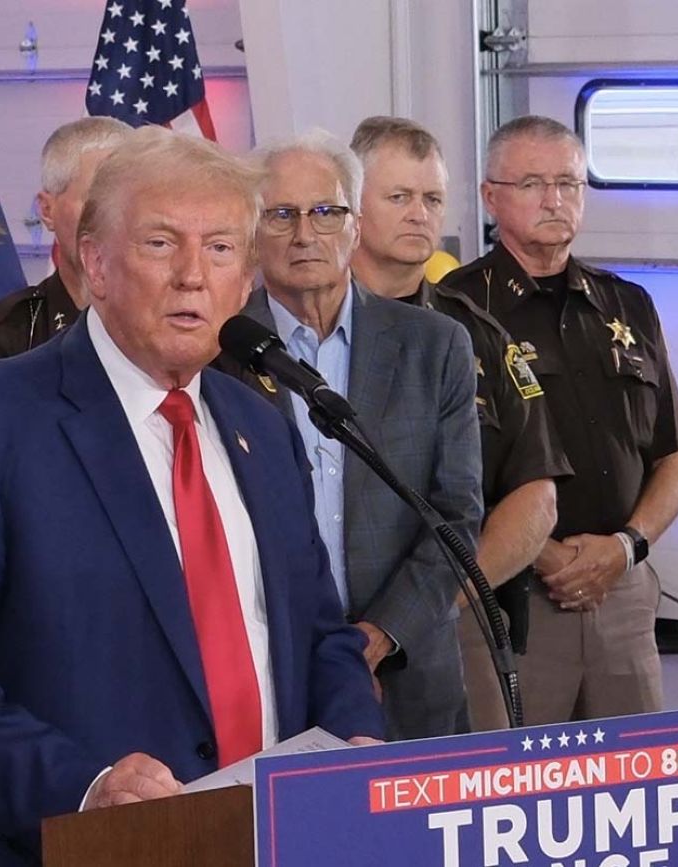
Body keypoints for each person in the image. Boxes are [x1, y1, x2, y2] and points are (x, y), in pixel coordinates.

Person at [0, 127, 384, 866]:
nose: (192, 277)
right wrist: (85, 787)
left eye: (220, 248)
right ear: (96, 263)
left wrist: (354, 739)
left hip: (255, 842)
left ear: (246, 281)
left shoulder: (260, 428)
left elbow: (319, 633)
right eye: (161, 244)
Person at [228, 130, 483, 740]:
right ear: (252, 230)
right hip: (270, 673)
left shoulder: (434, 344)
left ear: (355, 222)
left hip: (410, 669)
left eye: (325, 212)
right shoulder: (221, 352)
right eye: (281, 214)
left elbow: (456, 513)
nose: (304, 234)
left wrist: (377, 637)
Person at [441, 115, 678, 724]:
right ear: (490, 196)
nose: (555, 200)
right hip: (515, 599)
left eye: (569, 183)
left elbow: (675, 458)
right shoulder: (452, 311)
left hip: (622, 594)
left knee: (638, 785)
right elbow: (441, 472)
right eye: (532, 183)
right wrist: (543, 553)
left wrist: (626, 548)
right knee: (517, 794)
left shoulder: (628, 304)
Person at [349, 116, 572, 730]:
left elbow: (535, 491)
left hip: (451, 624)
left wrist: (417, 609)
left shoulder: (476, 333)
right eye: (398, 197)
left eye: (432, 199)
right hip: (318, 632)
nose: (420, 214)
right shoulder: (296, 332)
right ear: (350, 206)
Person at [0, 116, 131, 383]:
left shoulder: (187, 336)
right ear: (47, 211)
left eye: (133, 202)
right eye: (95, 200)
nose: (116, 218)